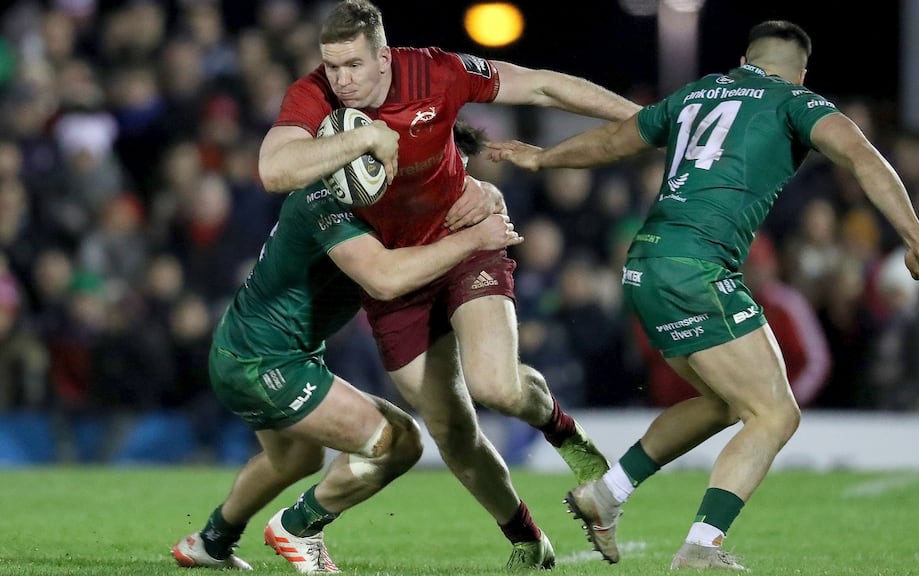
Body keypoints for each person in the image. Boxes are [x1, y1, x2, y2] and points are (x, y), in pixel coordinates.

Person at [487, 20, 919, 570]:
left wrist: (543, 158)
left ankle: (606, 492)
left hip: (646, 264)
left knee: (724, 403)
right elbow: (864, 158)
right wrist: (916, 242)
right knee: (775, 414)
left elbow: (617, 139)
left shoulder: (697, 92)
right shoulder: (794, 101)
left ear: (747, 57)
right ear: (801, 72)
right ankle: (701, 547)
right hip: (697, 267)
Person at [256, 0, 641, 568]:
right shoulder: (316, 94)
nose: (343, 80)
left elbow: (539, 88)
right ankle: (529, 544)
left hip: (466, 239)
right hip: (397, 276)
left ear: (384, 56)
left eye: (355, 66)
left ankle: (572, 442)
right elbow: (273, 170)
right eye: (333, 67)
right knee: (454, 436)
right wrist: (361, 140)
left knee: (497, 387)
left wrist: (646, 119)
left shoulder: (435, 72)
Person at [171, 140, 524, 572]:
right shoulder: (328, 203)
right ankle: (298, 528)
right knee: (397, 443)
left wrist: (485, 191)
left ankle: (210, 542)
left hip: (255, 349)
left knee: (294, 459)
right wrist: (475, 238)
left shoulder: (356, 189)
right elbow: (384, 279)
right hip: (265, 362)